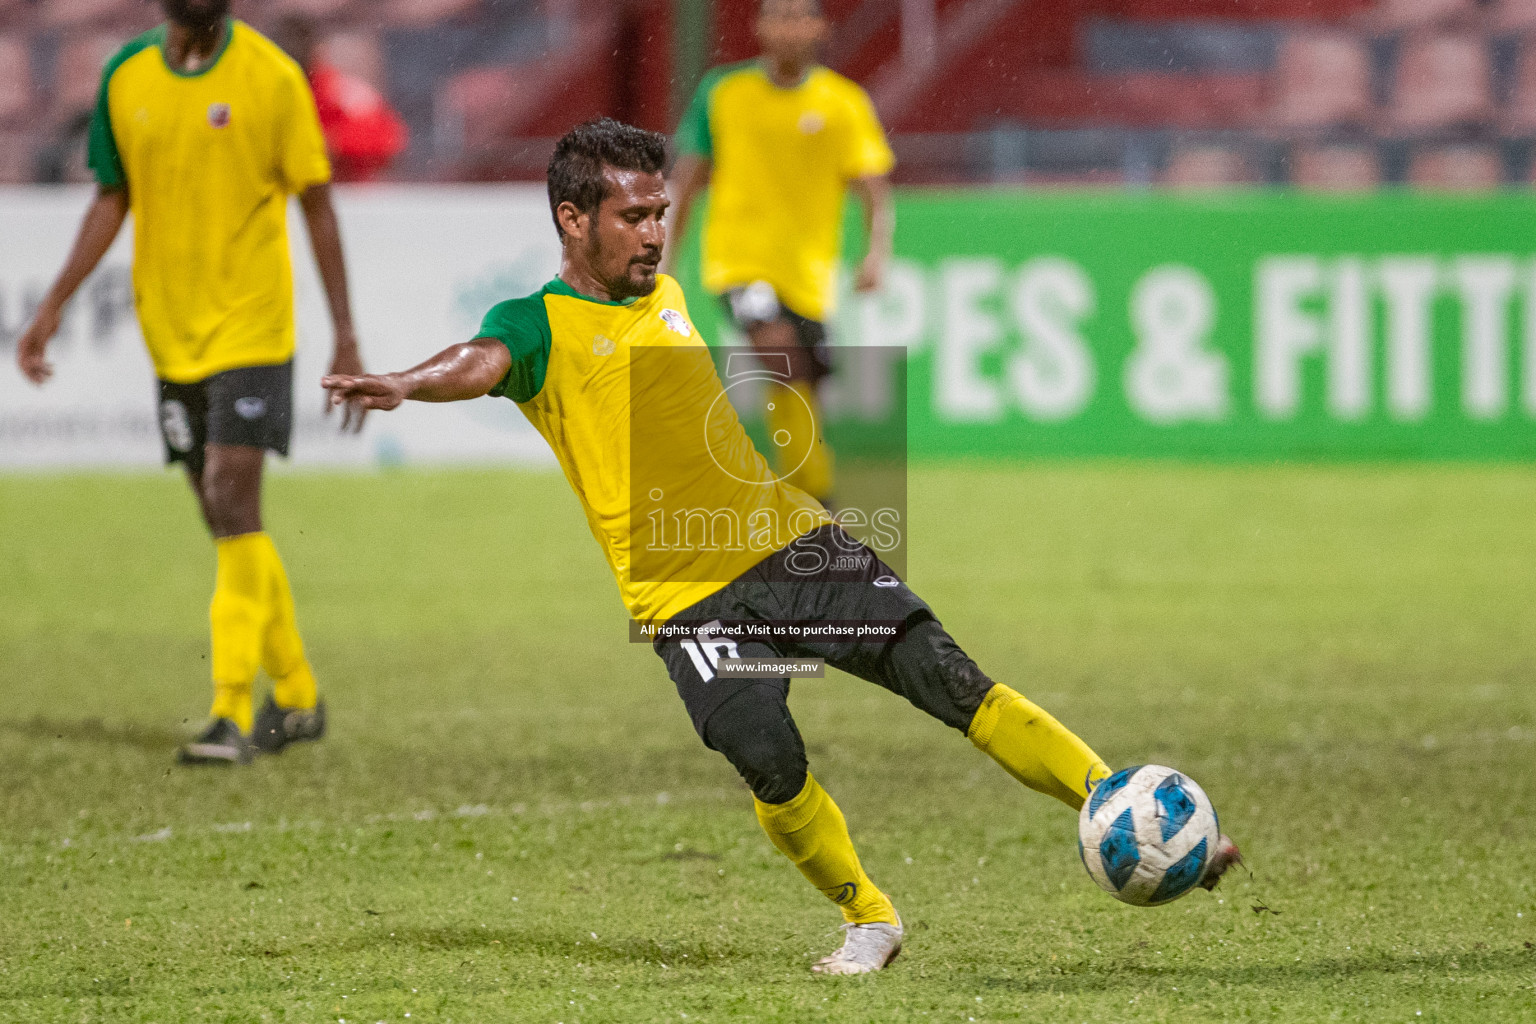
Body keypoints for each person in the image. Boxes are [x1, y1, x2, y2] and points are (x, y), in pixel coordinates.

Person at [320, 119, 1240, 975]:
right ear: (572, 218)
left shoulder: (666, 293)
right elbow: (478, 360)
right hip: (682, 598)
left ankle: (1113, 798)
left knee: (956, 683)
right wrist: (405, 382)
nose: (652, 235)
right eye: (633, 217)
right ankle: (869, 915)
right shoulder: (537, 326)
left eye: (660, 215)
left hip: (793, 544)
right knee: (766, 755)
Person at [16, 0, 368, 765]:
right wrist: (52, 305)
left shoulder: (272, 78)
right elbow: (113, 197)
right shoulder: (126, 76)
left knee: (231, 498)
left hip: (254, 325)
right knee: (224, 518)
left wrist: (344, 329)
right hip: (171, 334)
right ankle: (299, 694)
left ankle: (230, 715)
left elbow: (317, 201)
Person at [666, 0, 894, 509]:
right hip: (737, 262)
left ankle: (806, 487)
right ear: (759, 27)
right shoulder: (722, 92)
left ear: (819, 27)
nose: (788, 26)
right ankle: (814, 498)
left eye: (799, 16)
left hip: (808, 275)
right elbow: (688, 180)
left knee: (807, 376)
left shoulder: (844, 103)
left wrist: (876, 254)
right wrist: (666, 260)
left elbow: (874, 188)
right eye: (778, 15)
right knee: (780, 355)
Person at [273, 14, 409, 183]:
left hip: (349, 194)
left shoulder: (340, 92)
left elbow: (390, 139)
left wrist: (330, 143)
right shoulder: (269, 91)